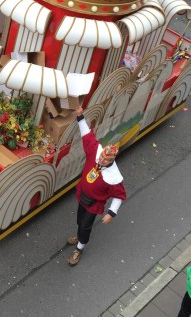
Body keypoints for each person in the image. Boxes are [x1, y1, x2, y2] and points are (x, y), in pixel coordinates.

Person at [66, 103, 126, 266]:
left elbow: (119, 196)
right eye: (102, 157)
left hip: (94, 204)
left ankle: (79, 248)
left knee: (86, 226)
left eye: (106, 160)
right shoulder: (96, 152)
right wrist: (80, 116)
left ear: (112, 160)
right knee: (80, 221)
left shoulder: (114, 176)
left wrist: (111, 213)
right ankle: (79, 236)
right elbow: (87, 135)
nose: (101, 160)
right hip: (82, 197)